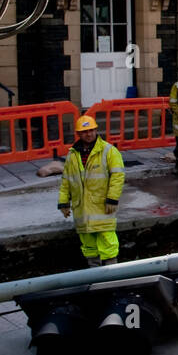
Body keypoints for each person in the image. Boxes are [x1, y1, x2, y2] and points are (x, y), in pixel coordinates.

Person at [58, 114, 126, 266]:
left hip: (102, 207)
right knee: (88, 244)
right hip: (81, 208)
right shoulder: (72, 155)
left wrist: (112, 199)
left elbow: (118, 176)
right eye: (84, 131)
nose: (88, 134)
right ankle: (94, 273)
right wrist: (63, 203)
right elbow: (66, 180)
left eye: (91, 130)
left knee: (108, 242)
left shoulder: (109, 151)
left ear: (96, 130)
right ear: (78, 134)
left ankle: (112, 272)